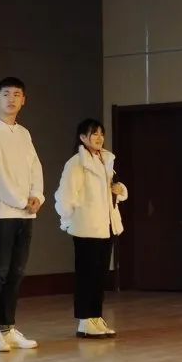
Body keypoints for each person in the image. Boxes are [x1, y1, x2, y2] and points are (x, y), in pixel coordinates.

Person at [0, 77, 43, 352]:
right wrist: (20, 200)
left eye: (17, 94)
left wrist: (37, 196)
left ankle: (7, 327)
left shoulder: (24, 133)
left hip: (24, 213)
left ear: (24, 100)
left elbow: (35, 167)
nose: (11, 99)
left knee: (16, 271)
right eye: (6, 94)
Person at [54, 119, 128, 338]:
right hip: (86, 226)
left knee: (99, 275)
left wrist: (120, 190)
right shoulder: (77, 163)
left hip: (106, 225)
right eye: (93, 134)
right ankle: (85, 321)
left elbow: (112, 190)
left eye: (101, 134)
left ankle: (96, 316)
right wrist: (67, 220)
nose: (99, 138)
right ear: (82, 137)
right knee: (86, 275)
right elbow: (65, 195)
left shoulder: (106, 159)